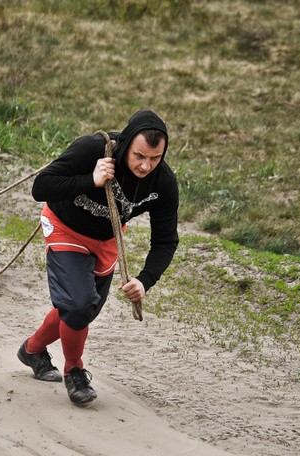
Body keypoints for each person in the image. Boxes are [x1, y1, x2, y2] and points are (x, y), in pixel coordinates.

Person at [17, 109, 179, 406]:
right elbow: (41, 187)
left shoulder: (164, 183)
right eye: (139, 156)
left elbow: (166, 240)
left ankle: (32, 350)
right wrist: (89, 179)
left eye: (155, 158)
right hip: (65, 228)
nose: (146, 165)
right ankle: (75, 372)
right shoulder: (94, 148)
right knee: (78, 305)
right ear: (127, 143)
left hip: (106, 242)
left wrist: (145, 281)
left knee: (82, 310)